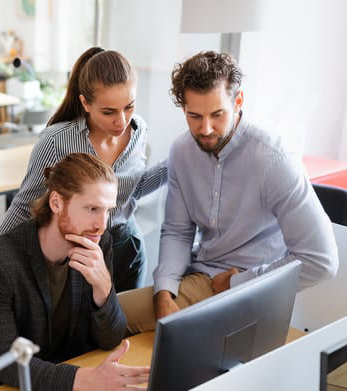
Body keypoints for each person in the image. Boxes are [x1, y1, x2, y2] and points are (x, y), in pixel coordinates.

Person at [118, 51, 339, 334]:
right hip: (201, 277)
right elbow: (177, 231)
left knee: (114, 319)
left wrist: (242, 283)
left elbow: (321, 261)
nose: (206, 128)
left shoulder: (273, 159)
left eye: (217, 114)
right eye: (194, 115)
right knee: (105, 318)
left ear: (238, 101)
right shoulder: (182, 152)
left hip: (253, 289)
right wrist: (164, 290)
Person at [0, 47, 167, 292]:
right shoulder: (57, 141)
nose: (121, 121)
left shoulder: (138, 131)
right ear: (85, 103)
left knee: (126, 327)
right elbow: (24, 207)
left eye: (129, 107)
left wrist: (176, 163)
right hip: (76, 255)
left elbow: (133, 189)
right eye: (109, 112)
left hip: (126, 248)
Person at [0, 153, 150, 390]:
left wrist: (103, 288)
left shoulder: (98, 242)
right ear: (56, 203)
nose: (102, 224)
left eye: (107, 211)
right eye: (92, 208)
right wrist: (84, 380)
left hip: (72, 368)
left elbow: (111, 339)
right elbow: (6, 363)